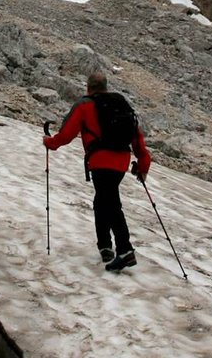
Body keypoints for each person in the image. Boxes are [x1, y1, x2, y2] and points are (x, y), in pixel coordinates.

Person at [43, 71, 151, 271]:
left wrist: (49, 143)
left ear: (88, 87)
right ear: (106, 87)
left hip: (100, 161)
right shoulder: (120, 104)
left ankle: (125, 250)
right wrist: (143, 164)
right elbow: (137, 137)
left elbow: (66, 135)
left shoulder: (85, 105)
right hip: (121, 162)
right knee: (103, 200)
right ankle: (105, 246)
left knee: (110, 202)